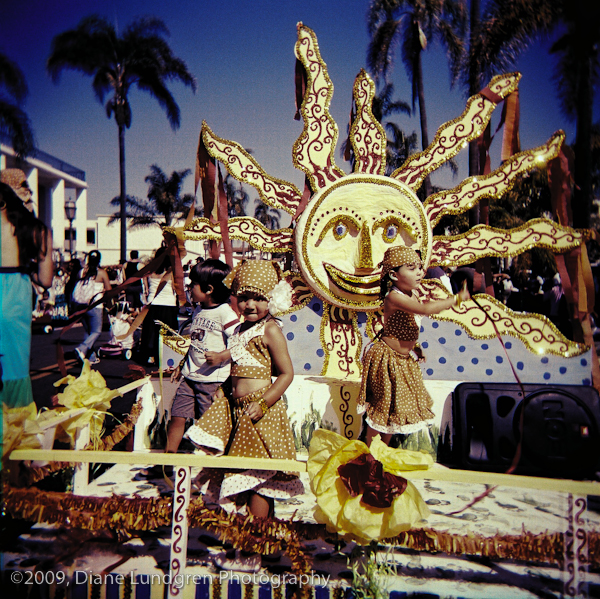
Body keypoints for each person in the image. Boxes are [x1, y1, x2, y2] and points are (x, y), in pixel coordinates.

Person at [184, 259, 303, 571]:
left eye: (259, 297)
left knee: (257, 480)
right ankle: (261, 544)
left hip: (262, 414)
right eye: (245, 297)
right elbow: (234, 365)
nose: (251, 304)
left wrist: (263, 403)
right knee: (244, 478)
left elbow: (286, 374)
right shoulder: (238, 330)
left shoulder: (271, 330)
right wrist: (224, 393)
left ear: (271, 299)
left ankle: (253, 549)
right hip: (239, 413)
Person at [357, 246, 470, 447]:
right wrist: (456, 298)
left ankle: (381, 452)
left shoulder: (411, 294)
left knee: (394, 409)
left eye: (419, 267)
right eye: (411, 268)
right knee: (381, 407)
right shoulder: (394, 296)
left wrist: (414, 346)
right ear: (393, 275)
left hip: (402, 360)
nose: (420, 272)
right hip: (387, 359)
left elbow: (404, 324)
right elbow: (425, 310)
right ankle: (369, 454)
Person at [145, 259, 239, 478]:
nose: (188, 288)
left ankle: (214, 469)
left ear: (209, 289)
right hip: (190, 377)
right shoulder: (198, 310)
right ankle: (168, 462)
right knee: (177, 416)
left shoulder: (225, 314)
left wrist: (221, 356)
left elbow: (240, 344)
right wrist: (181, 363)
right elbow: (195, 342)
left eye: (193, 285)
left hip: (213, 381)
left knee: (208, 426)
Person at [0, 182, 53, 408]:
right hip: (15, 298)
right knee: (14, 367)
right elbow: (46, 280)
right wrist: (26, 269)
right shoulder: (37, 231)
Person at [140, 245, 179, 365]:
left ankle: (149, 356)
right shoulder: (171, 271)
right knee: (167, 333)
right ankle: (165, 357)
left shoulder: (150, 270)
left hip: (152, 304)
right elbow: (175, 289)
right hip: (168, 304)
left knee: (151, 332)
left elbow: (145, 287)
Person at [73, 250, 111, 365]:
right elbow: (109, 290)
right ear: (99, 260)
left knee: (89, 331)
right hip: (95, 306)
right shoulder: (102, 273)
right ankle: (82, 348)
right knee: (96, 331)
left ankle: (90, 357)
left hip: (81, 305)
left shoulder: (81, 272)